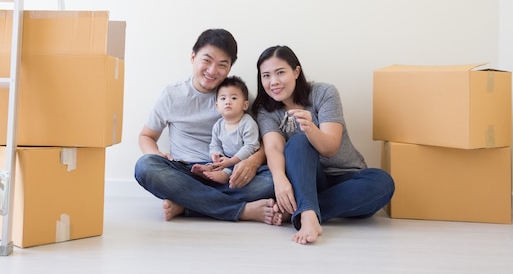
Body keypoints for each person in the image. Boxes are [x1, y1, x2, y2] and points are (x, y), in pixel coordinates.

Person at [251, 45, 395, 245]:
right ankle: (308, 214)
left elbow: (330, 148)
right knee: (298, 142)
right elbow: (273, 148)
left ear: (296, 71)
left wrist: (310, 127)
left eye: (280, 72)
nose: (273, 81)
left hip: (345, 178)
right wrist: (279, 180)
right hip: (307, 179)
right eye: (265, 76)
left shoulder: (324, 92)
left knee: (383, 182)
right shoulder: (265, 111)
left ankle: (301, 211)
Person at [134, 29, 278, 224]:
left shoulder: (235, 95)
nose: (212, 71)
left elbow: (263, 141)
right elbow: (146, 136)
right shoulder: (172, 94)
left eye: (222, 65)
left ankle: (188, 205)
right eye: (207, 60)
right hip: (185, 173)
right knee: (145, 166)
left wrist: (251, 163)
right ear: (193, 57)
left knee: (270, 180)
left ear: (229, 69)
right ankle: (241, 210)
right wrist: (156, 153)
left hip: (228, 173)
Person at [191, 76, 260, 184]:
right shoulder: (218, 125)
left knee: (234, 168)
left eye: (233, 98)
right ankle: (209, 168)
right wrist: (216, 154)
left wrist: (232, 161)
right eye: (223, 98)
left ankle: (224, 176)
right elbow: (215, 145)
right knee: (214, 163)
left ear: (245, 105)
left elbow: (251, 146)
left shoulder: (248, 123)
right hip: (226, 159)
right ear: (217, 106)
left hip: (243, 160)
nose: (228, 102)